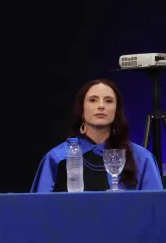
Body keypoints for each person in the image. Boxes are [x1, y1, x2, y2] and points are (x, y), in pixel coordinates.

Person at [31, 79, 163, 192]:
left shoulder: (141, 158)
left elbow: (156, 210)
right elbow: (38, 211)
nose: (101, 106)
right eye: (93, 100)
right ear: (82, 110)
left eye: (108, 101)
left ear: (116, 111)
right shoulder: (57, 157)